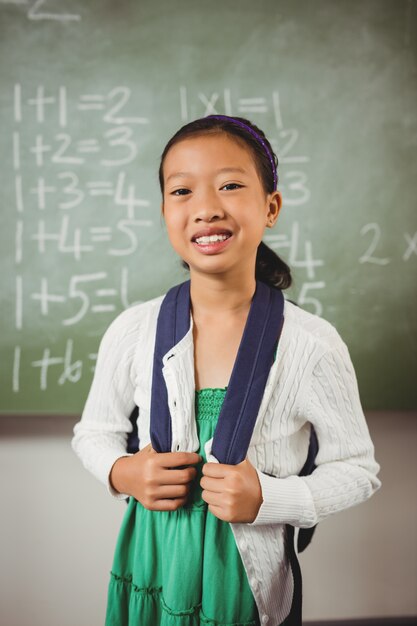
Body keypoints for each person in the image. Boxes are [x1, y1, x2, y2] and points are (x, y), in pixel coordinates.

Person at [71, 115, 381, 626]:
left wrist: (270, 497)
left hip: (242, 580)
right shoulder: (133, 329)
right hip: (150, 564)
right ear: (166, 211)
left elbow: (358, 470)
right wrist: (123, 471)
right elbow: (95, 433)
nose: (206, 208)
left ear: (271, 206)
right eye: (182, 191)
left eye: (231, 185)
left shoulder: (311, 345)